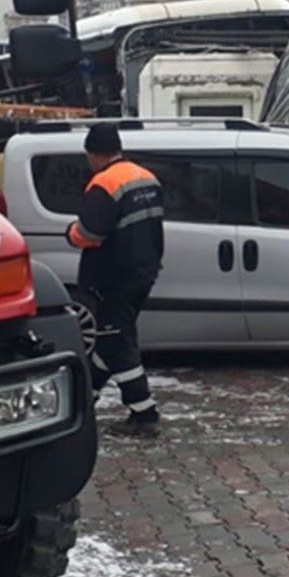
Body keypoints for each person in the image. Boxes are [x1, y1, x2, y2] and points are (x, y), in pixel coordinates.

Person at [67, 125, 166, 432]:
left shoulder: (104, 183)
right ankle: (86, 401)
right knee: (110, 338)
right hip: (144, 271)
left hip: (113, 277)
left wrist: (71, 234)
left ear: (94, 154)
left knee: (117, 342)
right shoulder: (146, 177)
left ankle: (144, 413)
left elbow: (90, 234)